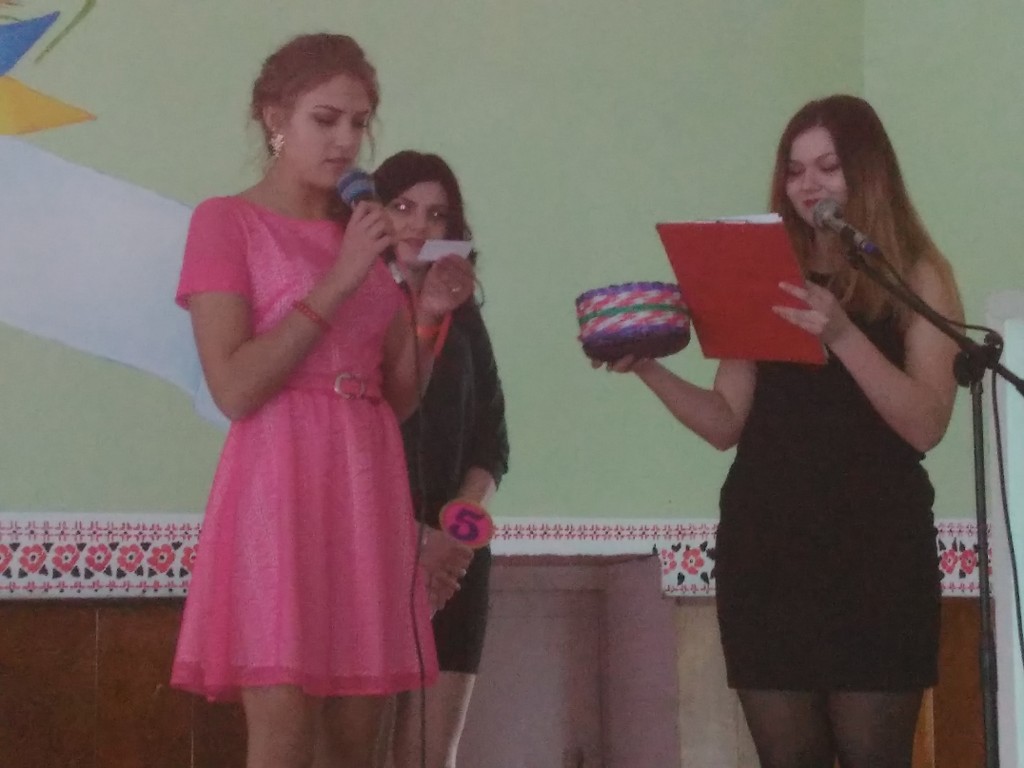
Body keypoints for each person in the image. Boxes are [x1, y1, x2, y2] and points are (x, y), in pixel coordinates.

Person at [594, 94, 963, 768]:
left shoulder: (915, 274)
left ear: (868, 171)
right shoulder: (764, 268)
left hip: (876, 551)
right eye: (794, 170)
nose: (808, 184)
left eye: (827, 166)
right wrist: (648, 368)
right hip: (768, 550)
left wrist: (842, 335)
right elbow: (724, 423)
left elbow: (926, 426)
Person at [169, 34, 475, 768]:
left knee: (356, 742)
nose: (346, 141)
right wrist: (340, 277)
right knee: (282, 735)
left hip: (367, 487)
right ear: (276, 118)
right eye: (325, 119)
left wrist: (426, 315)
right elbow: (235, 387)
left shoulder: (362, 235)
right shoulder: (226, 221)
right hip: (277, 489)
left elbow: (396, 397)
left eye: (359, 123)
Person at [372, 151, 510, 768]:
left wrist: (455, 537)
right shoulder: (356, 304)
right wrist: (413, 542)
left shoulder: (464, 316)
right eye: (403, 206)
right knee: (355, 748)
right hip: (372, 548)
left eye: (436, 215)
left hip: (455, 560)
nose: (418, 225)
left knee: (429, 756)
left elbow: (492, 444)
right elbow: (351, 440)